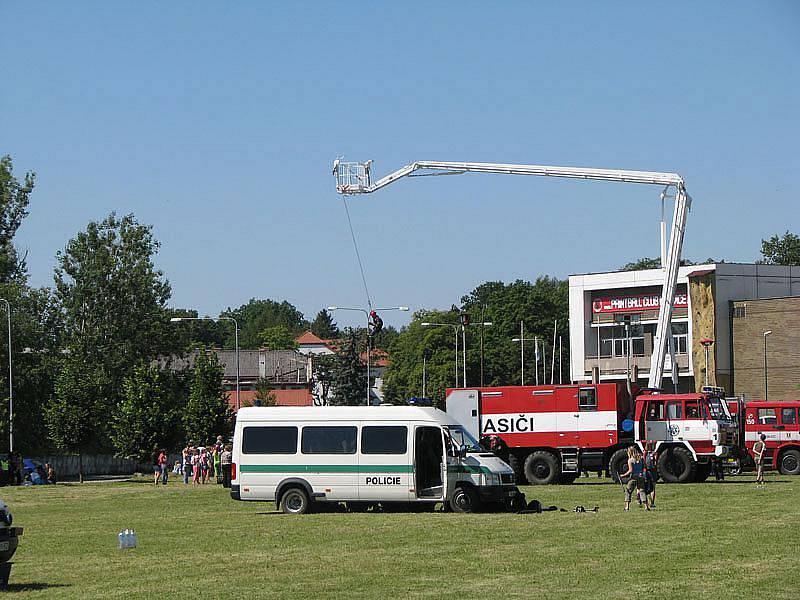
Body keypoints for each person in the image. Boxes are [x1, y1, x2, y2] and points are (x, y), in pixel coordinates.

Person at [619, 446, 650, 511]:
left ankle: (627, 507)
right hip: (641, 476)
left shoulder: (630, 460)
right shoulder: (641, 458)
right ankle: (646, 506)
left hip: (634, 477)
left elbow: (631, 470)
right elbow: (645, 467)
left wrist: (623, 475)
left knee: (628, 491)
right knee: (642, 491)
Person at [643, 441, 657, 508]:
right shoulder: (654, 453)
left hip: (646, 471)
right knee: (653, 488)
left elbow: (643, 462)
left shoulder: (644, 453)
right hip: (653, 471)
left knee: (645, 487)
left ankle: (646, 504)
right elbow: (656, 463)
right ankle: (652, 503)